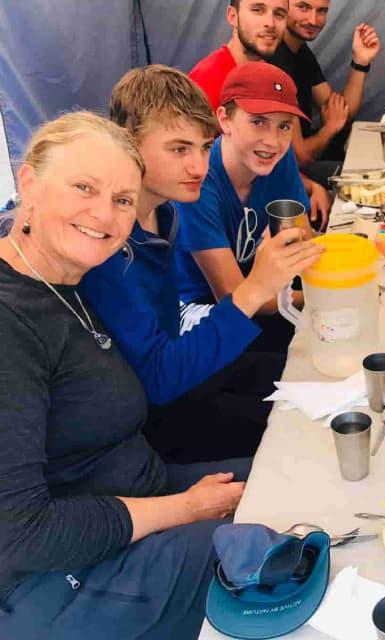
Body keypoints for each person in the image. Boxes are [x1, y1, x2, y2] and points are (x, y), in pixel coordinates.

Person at [0, 111, 249, 640]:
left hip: (144, 495)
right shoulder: (10, 322)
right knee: (290, 543)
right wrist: (184, 509)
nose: (103, 214)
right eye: (83, 187)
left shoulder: (66, 282)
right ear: (28, 184)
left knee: (293, 473)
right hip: (59, 583)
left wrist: (179, 502)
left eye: (121, 200)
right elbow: (20, 534)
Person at [80, 65, 322, 464]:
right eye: (179, 150)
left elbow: (173, 342)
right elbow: (159, 381)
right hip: (152, 422)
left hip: (187, 371)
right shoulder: (109, 248)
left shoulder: (165, 214)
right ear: (127, 144)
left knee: (305, 378)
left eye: (204, 147)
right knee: (298, 437)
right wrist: (258, 286)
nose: (199, 166)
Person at [175, 61, 314, 354]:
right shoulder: (198, 183)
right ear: (224, 120)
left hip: (261, 288)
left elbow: (302, 239)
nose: (273, 141)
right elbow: (235, 298)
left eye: (284, 126)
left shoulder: (278, 156)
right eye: (258, 121)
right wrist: (319, 293)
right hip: (208, 312)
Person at [190, 0, 330, 228]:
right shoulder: (206, 81)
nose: (270, 23)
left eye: (279, 14)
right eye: (257, 10)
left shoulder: (272, 76)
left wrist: (309, 186)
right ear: (232, 16)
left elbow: (274, 157)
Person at [269, 0, 381, 176]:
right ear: (283, 7)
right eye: (303, 7)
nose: (313, 20)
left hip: (305, 158)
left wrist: (361, 62)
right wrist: (329, 128)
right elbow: (301, 157)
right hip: (282, 173)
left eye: (321, 11)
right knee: (371, 178)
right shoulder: (274, 62)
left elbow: (344, 113)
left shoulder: (301, 52)